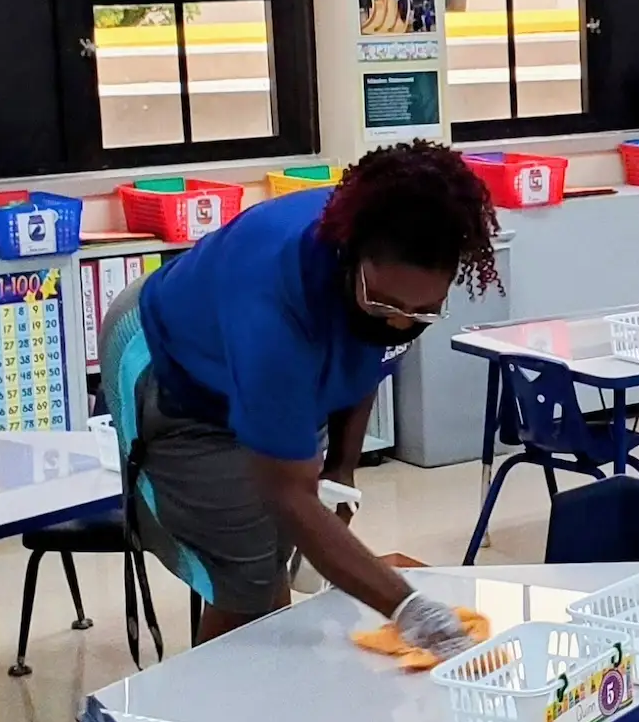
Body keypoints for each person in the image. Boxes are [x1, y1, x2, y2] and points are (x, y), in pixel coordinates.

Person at [108, 141, 500, 656]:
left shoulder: (399, 284)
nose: (403, 321)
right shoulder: (273, 305)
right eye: (386, 304)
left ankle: (267, 690)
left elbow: (369, 360)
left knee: (278, 556)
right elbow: (286, 493)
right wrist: (407, 608)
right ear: (350, 254)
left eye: (423, 311)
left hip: (259, 357)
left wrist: (341, 469)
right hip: (174, 368)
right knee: (247, 579)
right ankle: (210, 720)